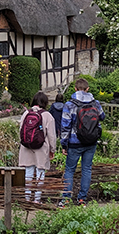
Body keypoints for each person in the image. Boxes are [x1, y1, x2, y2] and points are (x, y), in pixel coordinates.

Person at [60, 78, 104, 207]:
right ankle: (82, 199)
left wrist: (64, 144)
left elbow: (65, 126)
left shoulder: (69, 104)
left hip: (74, 142)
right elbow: (102, 117)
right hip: (91, 141)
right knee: (86, 169)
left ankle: (66, 199)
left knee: (69, 170)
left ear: (75, 88)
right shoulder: (95, 103)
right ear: (87, 89)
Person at [18, 91, 56, 203]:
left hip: (26, 147)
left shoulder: (25, 114)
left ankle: (27, 198)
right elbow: (52, 136)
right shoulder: (47, 116)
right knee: (40, 173)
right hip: (41, 148)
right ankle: (37, 199)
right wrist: (52, 150)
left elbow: (21, 131)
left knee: (28, 173)